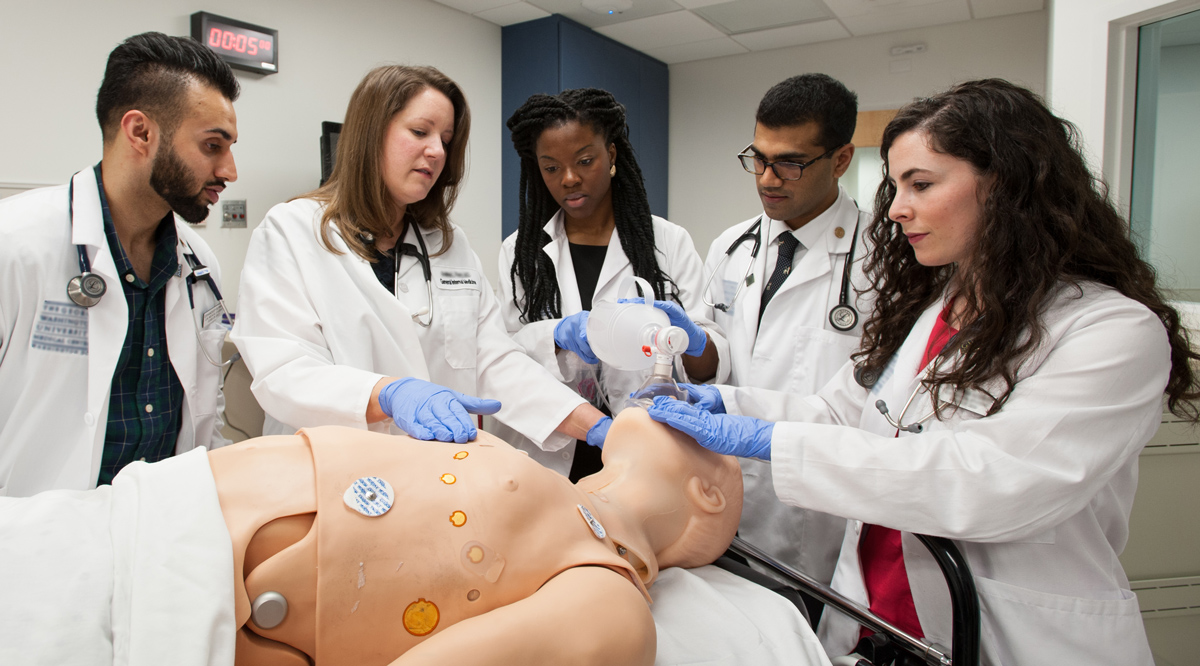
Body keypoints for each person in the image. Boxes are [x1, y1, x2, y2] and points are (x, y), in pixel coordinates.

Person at [650, 78, 1200, 664]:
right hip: (877, 621)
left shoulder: (1111, 332)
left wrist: (773, 442)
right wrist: (727, 409)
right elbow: (841, 412)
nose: (895, 208)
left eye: (921, 184)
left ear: (1007, 184)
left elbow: (988, 481)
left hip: (1014, 636)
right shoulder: (938, 305)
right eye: (896, 185)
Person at [0, 407, 743, 666]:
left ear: (708, 493)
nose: (688, 408)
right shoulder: (540, 475)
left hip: (144, 604)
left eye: (714, 431)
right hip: (128, 512)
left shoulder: (610, 600)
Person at [231, 66, 603, 448]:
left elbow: (495, 360)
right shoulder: (292, 231)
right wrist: (386, 395)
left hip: (435, 476)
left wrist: (595, 426)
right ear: (370, 133)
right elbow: (283, 371)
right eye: (420, 132)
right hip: (330, 474)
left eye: (445, 139)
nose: (438, 151)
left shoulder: (448, 243)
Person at [0, 32, 239, 497]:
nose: (230, 170)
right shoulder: (14, 243)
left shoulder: (199, 266)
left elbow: (205, 413)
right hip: (30, 540)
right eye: (213, 146)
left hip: (165, 527)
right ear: (141, 132)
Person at [499, 88, 729, 480]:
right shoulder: (520, 252)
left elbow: (709, 364)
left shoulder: (667, 241)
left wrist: (690, 339)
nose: (569, 178)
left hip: (650, 446)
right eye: (551, 167)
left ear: (612, 155)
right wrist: (557, 336)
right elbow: (503, 354)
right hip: (554, 450)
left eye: (585, 161)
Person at [701, 73, 870, 586]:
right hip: (731, 494)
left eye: (790, 163)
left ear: (841, 159)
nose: (767, 179)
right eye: (758, 158)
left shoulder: (885, 260)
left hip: (824, 506)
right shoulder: (732, 246)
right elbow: (718, 348)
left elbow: (877, 396)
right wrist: (690, 343)